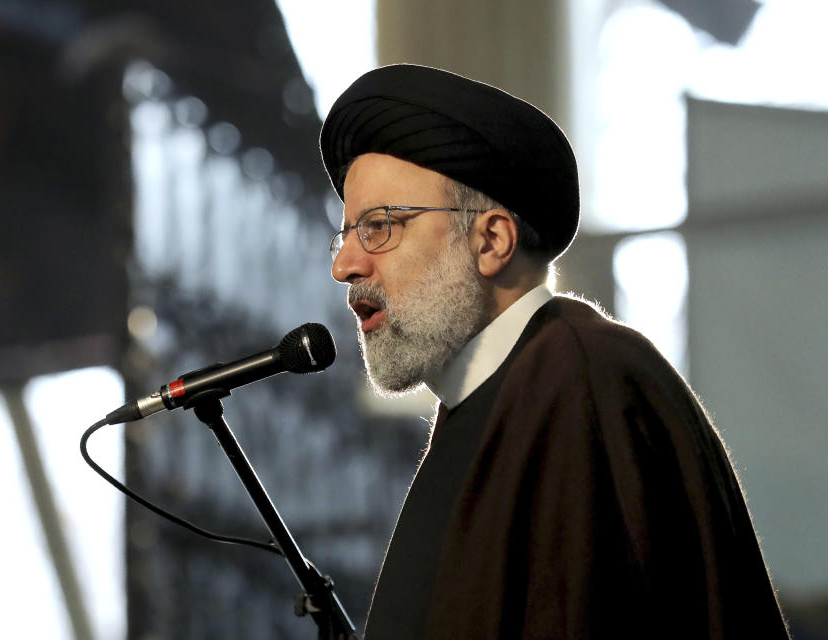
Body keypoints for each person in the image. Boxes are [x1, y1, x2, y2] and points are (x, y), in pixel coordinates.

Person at [320, 64, 791, 639]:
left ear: (491, 240)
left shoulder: (586, 380)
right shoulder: (491, 399)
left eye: (379, 226)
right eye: (345, 233)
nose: (344, 265)